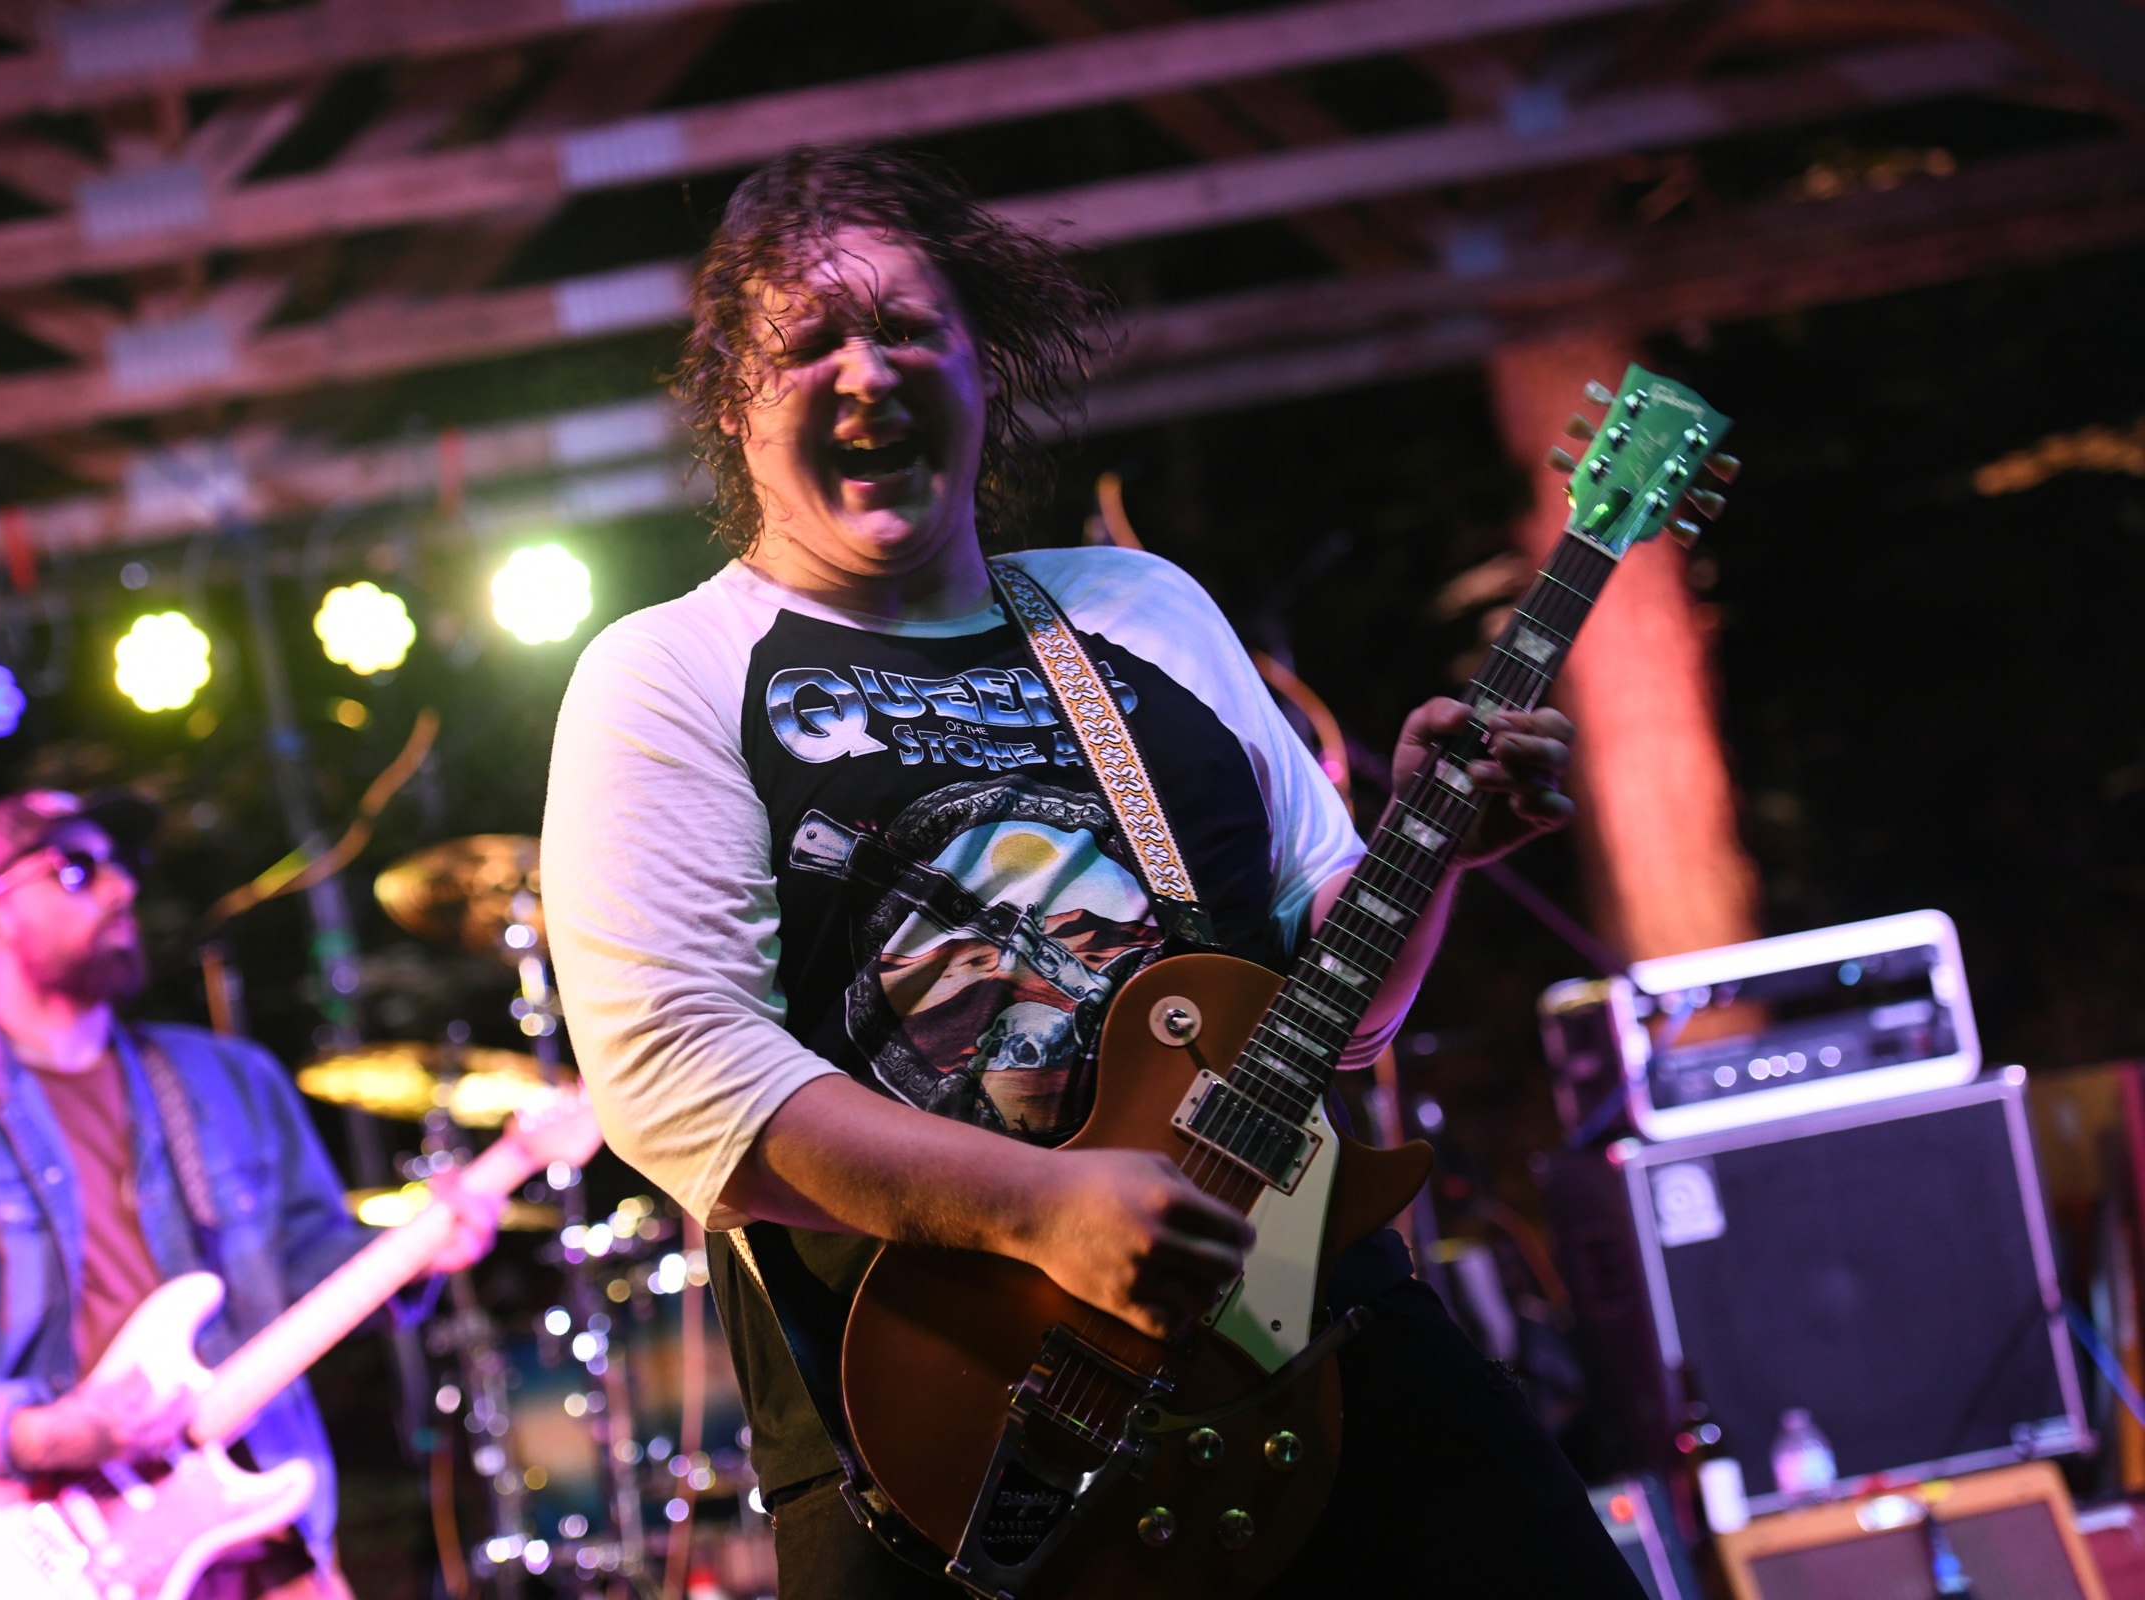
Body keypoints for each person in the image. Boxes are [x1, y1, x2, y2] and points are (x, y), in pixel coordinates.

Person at [542, 148, 1641, 1597]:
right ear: (735, 405)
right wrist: (1036, 1207)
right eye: (808, 344)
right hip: (962, 1427)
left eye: (909, 328)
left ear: (981, 367)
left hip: (1312, 1327)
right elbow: (680, 1075)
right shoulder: (671, 672)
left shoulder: (1138, 609)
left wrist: (1432, 845)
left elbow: (1335, 1016)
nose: (865, 370)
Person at [0, 789, 501, 1600]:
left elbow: (313, 1265)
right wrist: (37, 1433)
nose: (122, 888)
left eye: (121, 865)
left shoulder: (232, 1080)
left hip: (263, 1533)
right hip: (47, 1553)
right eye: (77, 869)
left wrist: (420, 1252)